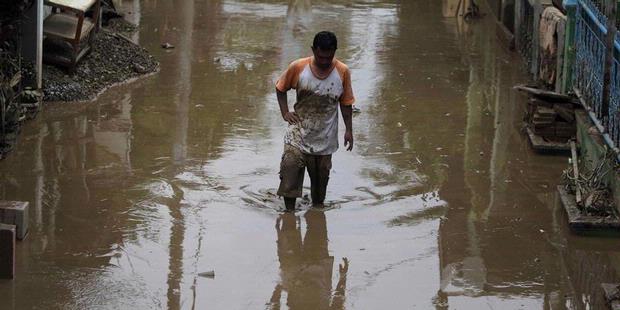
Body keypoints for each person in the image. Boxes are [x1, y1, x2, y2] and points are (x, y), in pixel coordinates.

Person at [275, 31, 355, 210]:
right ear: (313, 50)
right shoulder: (298, 67)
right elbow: (280, 88)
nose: (325, 61)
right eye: (321, 57)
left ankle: (316, 215)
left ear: (335, 51)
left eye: (329, 57)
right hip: (298, 133)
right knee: (290, 171)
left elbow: (346, 103)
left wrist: (349, 130)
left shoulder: (342, 71)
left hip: (324, 137)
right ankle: (288, 216)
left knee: (319, 196)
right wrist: (285, 112)